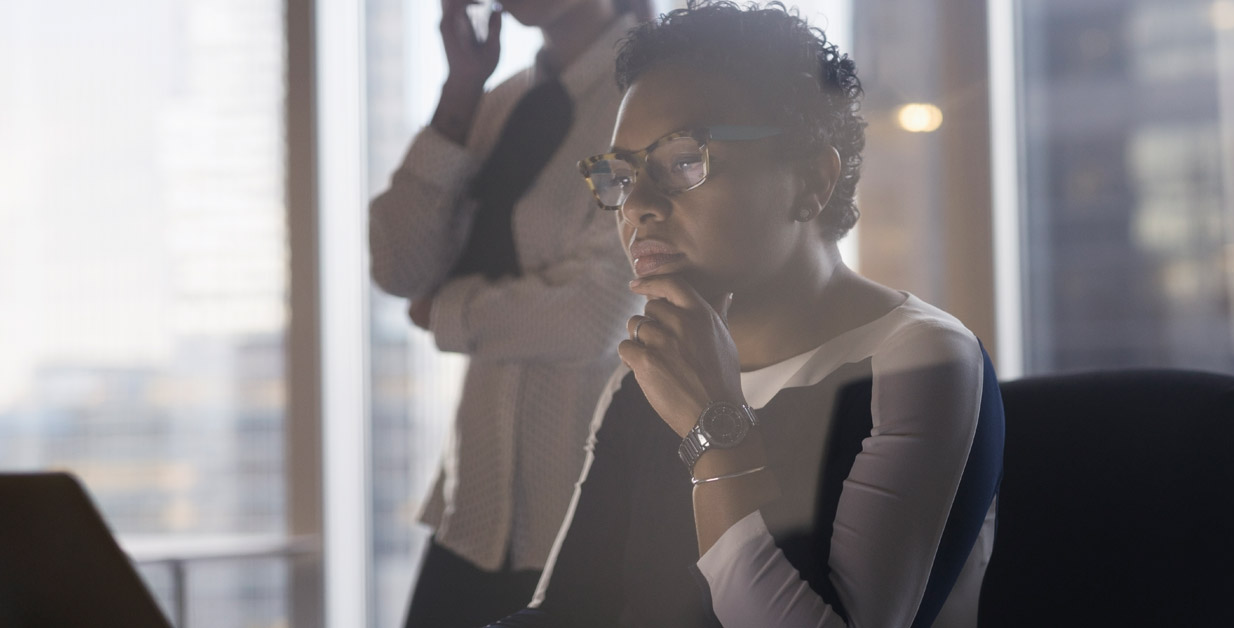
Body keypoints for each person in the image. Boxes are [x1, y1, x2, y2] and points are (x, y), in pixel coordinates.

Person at [489, 3, 1006, 626]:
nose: (637, 207)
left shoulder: (917, 360)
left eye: (682, 159)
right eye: (622, 174)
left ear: (811, 179)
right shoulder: (646, 377)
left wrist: (713, 424)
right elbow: (566, 614)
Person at [367, 0, 653, 625]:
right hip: (471, 514)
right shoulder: (497, 104)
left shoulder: (648, 100)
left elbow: (597, 313)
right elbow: (398, 266)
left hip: (583, 518)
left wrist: (446, 312)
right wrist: (460, 93)